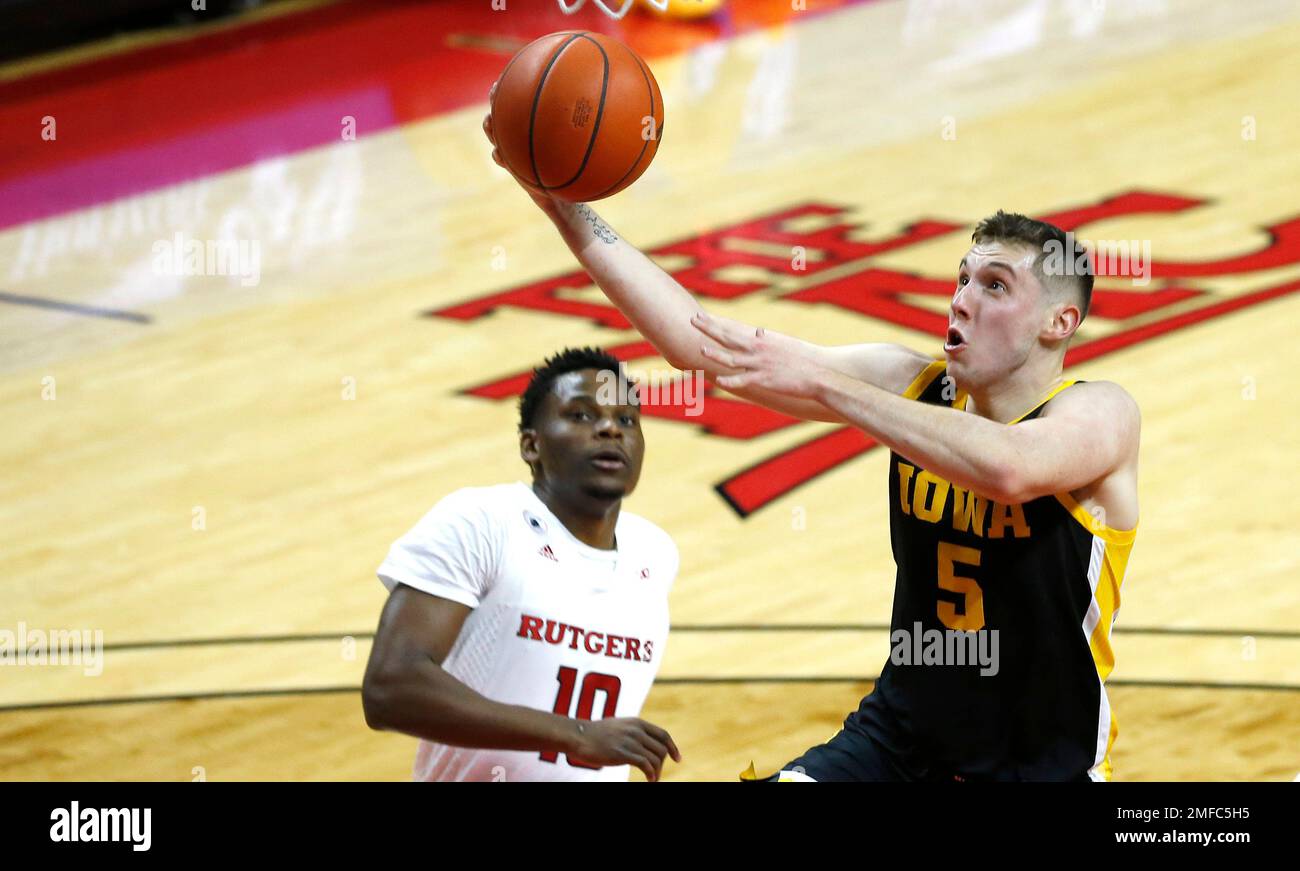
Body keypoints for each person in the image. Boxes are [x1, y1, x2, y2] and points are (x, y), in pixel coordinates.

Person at [483, 106, 1140, 781]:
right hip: (898, 742)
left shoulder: (1100, 415)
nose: (962, 300)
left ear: (1060, 322)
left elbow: (1009, 468)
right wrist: (558, 200)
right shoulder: (909, 382)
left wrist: (826, 385)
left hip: (1040, 768)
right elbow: (696, 344)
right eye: (963, 278)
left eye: (995, 285)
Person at [362, 347, 682, 781]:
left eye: (626, 420)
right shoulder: (482, 522)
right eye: (582, 415)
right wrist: (576, 735)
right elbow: (390, 688)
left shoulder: (655, 553)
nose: (610, 428)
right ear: (531, 445)